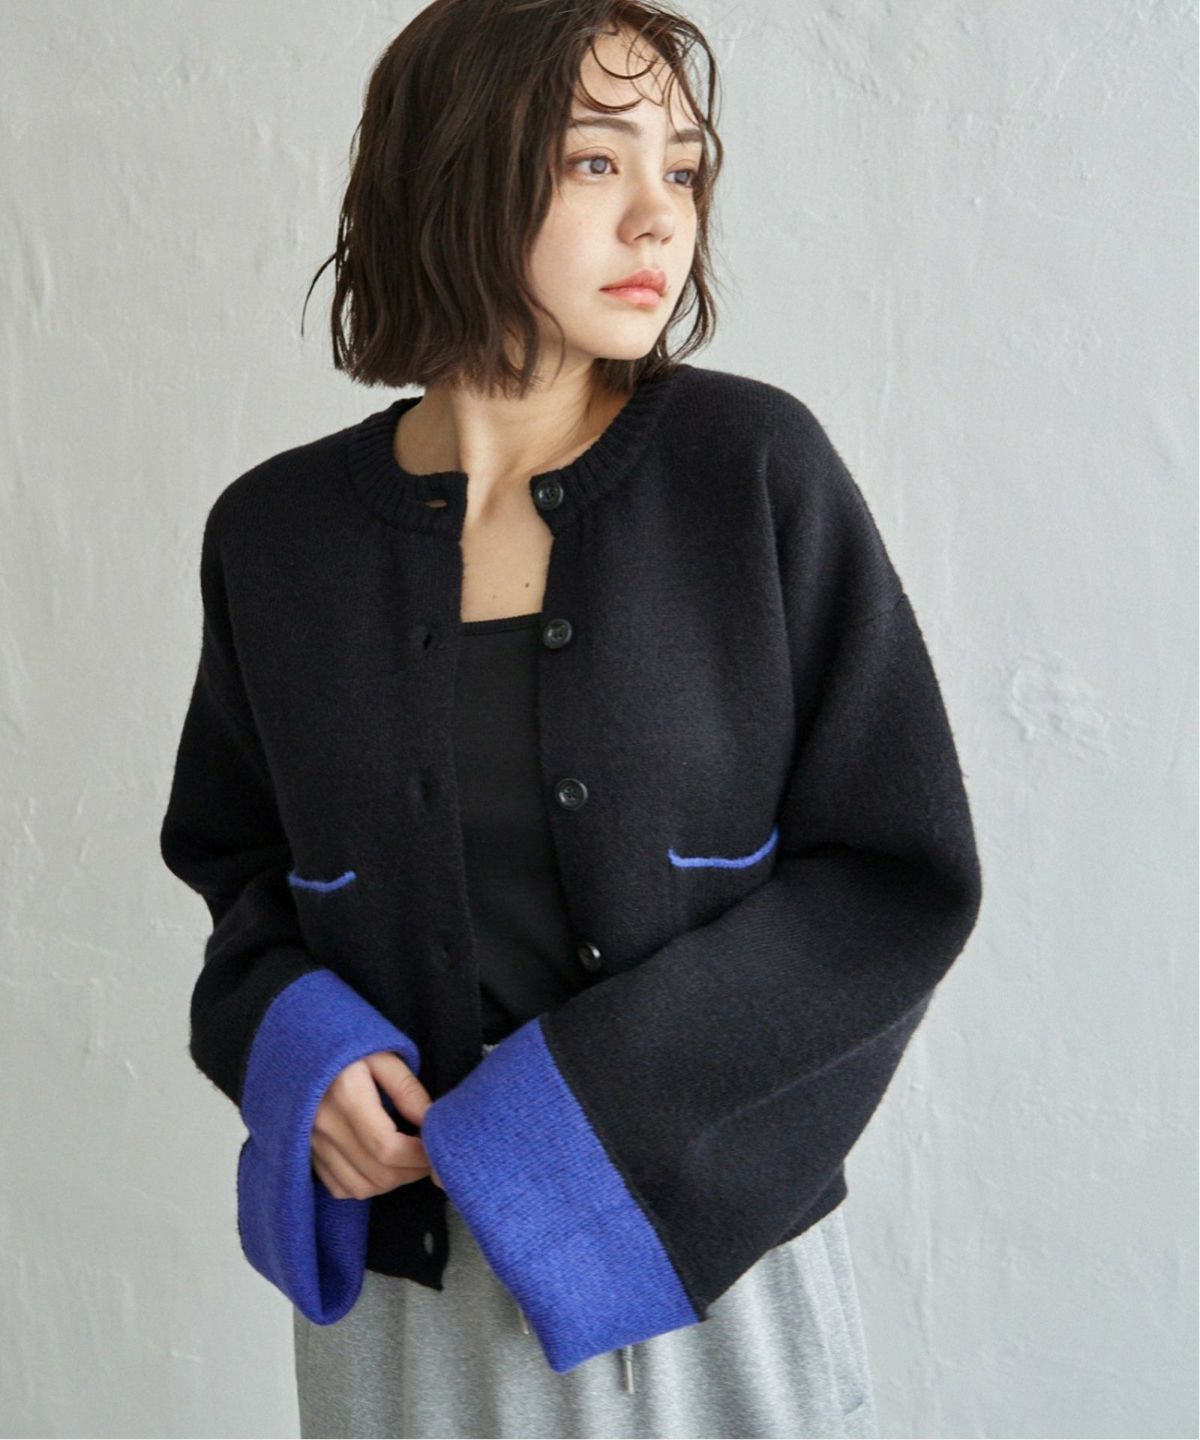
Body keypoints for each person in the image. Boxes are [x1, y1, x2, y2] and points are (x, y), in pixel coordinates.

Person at [159, 2, 984, 1436]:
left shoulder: (751, 472)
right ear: (455, 168)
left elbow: (894, 878)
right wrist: (300, 1050)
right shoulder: (276, 540)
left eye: (685, 166)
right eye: (598, 161)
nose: (661, 214)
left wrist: (570, 1124)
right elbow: (239, 873)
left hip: (707, 1277)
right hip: (411, 1319)